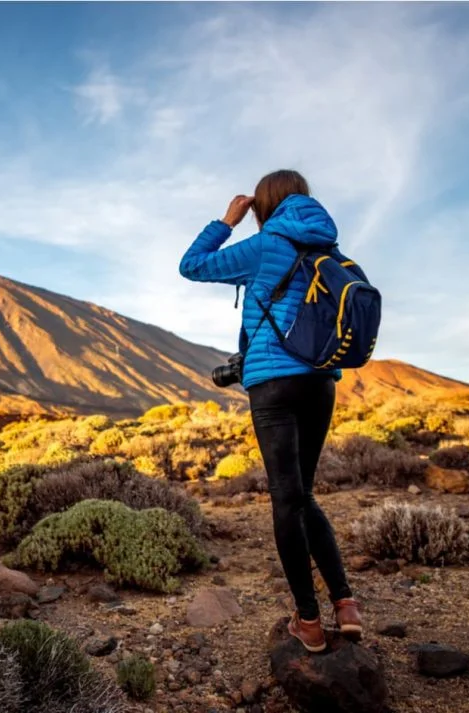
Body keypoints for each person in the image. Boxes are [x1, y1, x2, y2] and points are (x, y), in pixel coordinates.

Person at [178, 170, 362, 653]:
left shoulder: (266, 246)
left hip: (274, 385)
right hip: (322, 384)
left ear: (263, 204)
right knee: (306, 494)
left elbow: (192, 266)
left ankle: (309, 622)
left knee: (287, 499)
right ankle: (346, 604)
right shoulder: (331, 249)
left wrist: (226, 221)